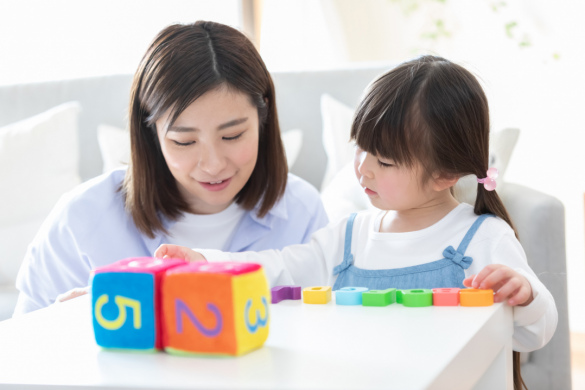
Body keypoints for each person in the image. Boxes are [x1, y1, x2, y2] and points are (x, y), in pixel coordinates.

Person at [156, 55, 557, 390]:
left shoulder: (481, 238)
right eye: (361, 148)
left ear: (445, 174)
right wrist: (206, 263)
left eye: (384, 161)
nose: (362, 168)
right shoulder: (349, 236)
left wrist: (524, 295)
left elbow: (533, 332)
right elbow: (279, 268)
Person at [13, 21, 328, 315]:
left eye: (232, 135)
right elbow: (21, 357)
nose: (214, 164)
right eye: (184, 142)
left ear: (264, 119)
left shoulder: (301, 213)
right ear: (152, 135)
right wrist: (68, 327)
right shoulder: (80, 220)